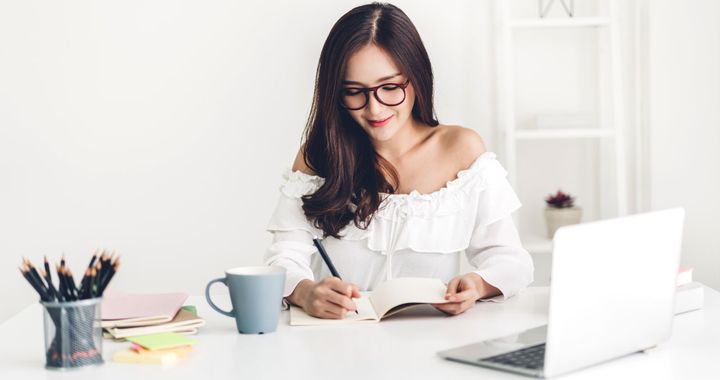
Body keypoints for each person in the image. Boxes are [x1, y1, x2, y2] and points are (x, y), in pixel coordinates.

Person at [264, 2, 533, 319]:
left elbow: (511, 260)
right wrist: (306, 292)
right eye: (354, 91)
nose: (374, 109)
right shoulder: (318, 157)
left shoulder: (461, 149)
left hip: (431, 341)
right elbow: (283, 257)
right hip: (338, 342)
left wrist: (478, 284)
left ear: (416, 78)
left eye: (390, 87)